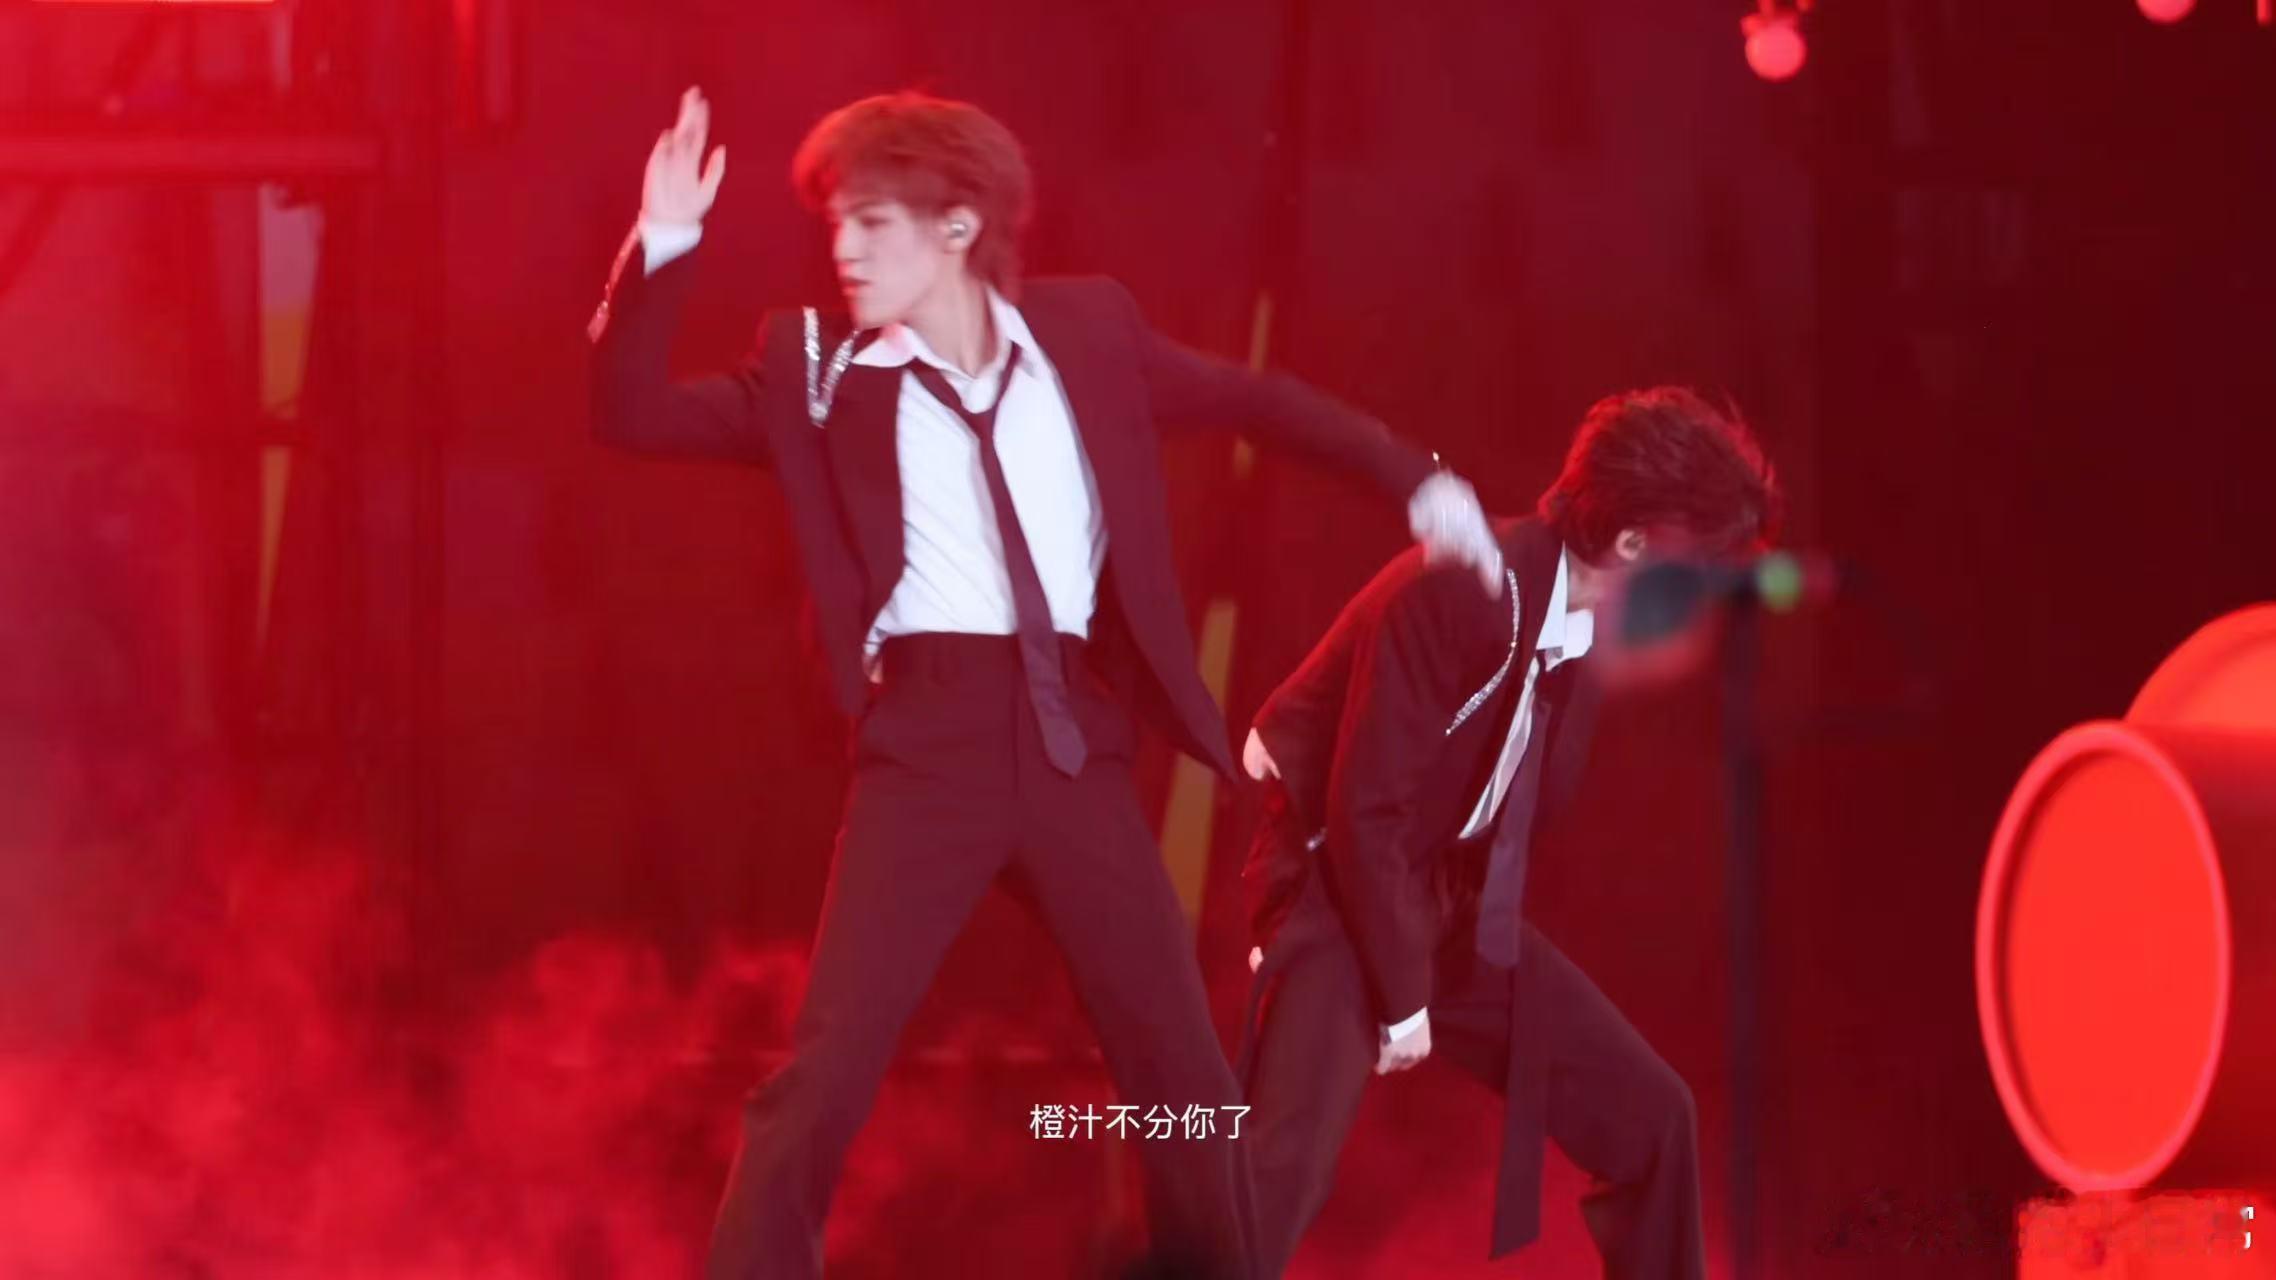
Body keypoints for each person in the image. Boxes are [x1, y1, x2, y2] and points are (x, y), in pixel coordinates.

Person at [587, 87, 1503, 1279]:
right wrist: (662, 239)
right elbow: (631, 412)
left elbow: (1254, 400)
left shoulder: (1090, 336)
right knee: (825, 1073)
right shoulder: (814, 370)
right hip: (926, 749)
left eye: (872, 222)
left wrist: (1413, 479)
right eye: (836, 225)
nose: (843, 249)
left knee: (1183, 1076)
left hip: (1074, 742)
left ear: (957, 227)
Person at [1234, 387, 1780, 1279]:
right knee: (1277, 1173)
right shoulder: (1467, 586)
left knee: (1653, 1119)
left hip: (1447, 906)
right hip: (1338, 897)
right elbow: (1365, 811)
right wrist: (1402, 999)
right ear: (1632, 545)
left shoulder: (1579, 628)